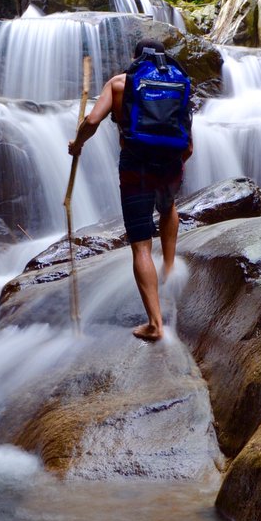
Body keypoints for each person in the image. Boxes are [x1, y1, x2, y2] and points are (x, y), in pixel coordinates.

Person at [68, 38, 193, 342]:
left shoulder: (120, 83)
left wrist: (77, 144)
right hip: (171, 161)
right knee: (168, 207)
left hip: (135, 164)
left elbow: (93, 120)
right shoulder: (181, 83)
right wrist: (177, 161)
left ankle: (154, 324)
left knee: (140, 245)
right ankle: (170, 266)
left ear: (136, 58)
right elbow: (188, 137)